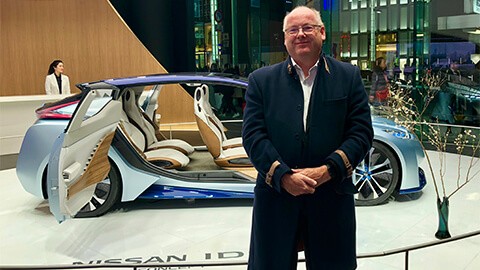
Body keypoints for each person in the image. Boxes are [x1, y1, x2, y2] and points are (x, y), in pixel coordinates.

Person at [242, 6, 373, 269]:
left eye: (307, 27)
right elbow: (253, 136)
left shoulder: (348, 77)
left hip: (331, 196)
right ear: (285, 37)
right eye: (293, 29)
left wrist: (328, 170)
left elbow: (361, 132)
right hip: (276, 196)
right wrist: (283, 176)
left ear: (322, 32)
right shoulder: (261, 81)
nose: (300, 34)